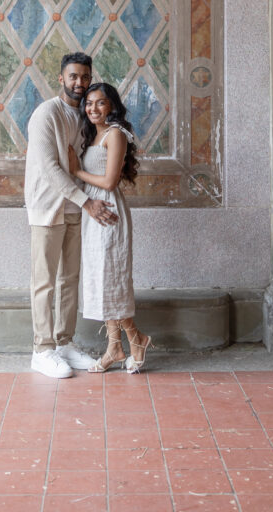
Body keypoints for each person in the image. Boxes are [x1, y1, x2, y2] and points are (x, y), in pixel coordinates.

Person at [25, 53, 118, 379]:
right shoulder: (45, 114)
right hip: (47, 208)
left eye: (84, 77)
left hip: (74, 208)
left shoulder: (82, 116)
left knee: (69, 281)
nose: (79, 82)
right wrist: (87, 201)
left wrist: (87, 200)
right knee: (44, 283)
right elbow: (50, 168)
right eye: (73, 76)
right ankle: (42, 350)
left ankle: (64, 343)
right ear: (61, 78)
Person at [68, 82, 152, 373]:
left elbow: (110, 181)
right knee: (102, 281)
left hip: (109, 211)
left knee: (111, 279)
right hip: (93, 211)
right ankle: (118, 346)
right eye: (89, 103)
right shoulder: (92, 134)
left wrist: (76, 170)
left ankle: (134, 339)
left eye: (100, 103)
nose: (93, 108)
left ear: (111, 106)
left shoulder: (115, 134)